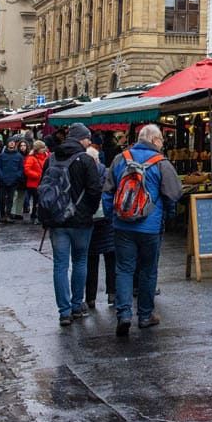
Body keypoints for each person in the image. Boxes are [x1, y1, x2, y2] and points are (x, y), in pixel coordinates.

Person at [101, 123, 181, 339]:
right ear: (154, 140)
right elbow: (174, 193)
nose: (162, 144)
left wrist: (112, 216)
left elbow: (107, 192)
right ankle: (145, 315)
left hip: (122, 225)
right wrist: (167, 215)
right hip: (150, 227)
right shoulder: (161, 163)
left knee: (124, 269)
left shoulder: (120, 158)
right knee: (148, 270)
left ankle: (124, 314)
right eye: (162, 140)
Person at [40, 124, 103, 327]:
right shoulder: (85, 160)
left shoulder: (51, 158)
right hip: (81, 220)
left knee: (60, 265)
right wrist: (89, 211)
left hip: (57, 220)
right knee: (80, 261)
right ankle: (77, 305)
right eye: (87, 139)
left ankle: (64, 312)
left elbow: (43, 189)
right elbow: (94, 190)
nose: (88, 142)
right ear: (81, 139)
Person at [84, 142, 118, 311]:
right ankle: (113, 293)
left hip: (90, 222)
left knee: (91, 260)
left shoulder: (83, 174)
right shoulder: (107, 172)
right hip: (108, 220)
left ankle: (90, 297)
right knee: (111, 258)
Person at [0, 139, 26, 223]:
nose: (12, 143)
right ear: (7, 143)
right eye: (10, 141)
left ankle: (8, 215)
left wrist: (17, 176)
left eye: (13, 142)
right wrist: (2, 177)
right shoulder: (1, 156)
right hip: (3, 181)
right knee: (2, 199)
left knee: (10, 199)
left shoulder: (19, 156)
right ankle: (2, 215)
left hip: (13, 181)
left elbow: (21, 168)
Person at [12, 140, 32, 219]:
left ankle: (18, 213)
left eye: (24, 145)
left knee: (21, 196)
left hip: (25, 179)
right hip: (18, 178)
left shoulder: (29, 156)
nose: (23, 147)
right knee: (16, 196)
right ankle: (13, 212)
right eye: (21, 146)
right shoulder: (17, 155)